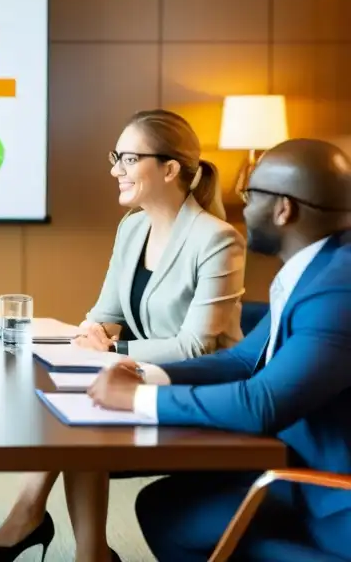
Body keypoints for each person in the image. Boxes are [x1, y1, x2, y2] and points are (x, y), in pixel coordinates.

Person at [0, 109, 247, 562]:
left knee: (81, 417)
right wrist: (94, 330)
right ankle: (80, 547)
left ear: (170, 169)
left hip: (199, 389)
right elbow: (104, 313)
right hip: (140, 373)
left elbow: (197, 347)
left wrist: (114, 347)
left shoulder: (217, 239)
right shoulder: (132, 227)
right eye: (116, 157)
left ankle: (43, 528)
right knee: (63, 403)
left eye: (129, 159)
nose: (115, 170)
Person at [89, 138, 351, 562]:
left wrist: (136, 398)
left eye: (252, 196)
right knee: (165, 508)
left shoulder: (338, 287)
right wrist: (146, 374)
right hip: (300, 467)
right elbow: (247, 360)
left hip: (335, 501)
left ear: (284, 208)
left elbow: (262, 402)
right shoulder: (317, 269)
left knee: (179, 519)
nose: (242, 210)